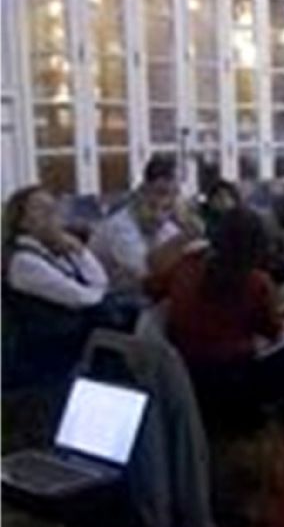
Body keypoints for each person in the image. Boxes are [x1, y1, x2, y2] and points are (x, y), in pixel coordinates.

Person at [149, 208, 284, 433]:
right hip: (238, 380)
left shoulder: (187, 265)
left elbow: (151, 287)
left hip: (189, 378)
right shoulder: (255, 282)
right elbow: (273, 331)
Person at [2, 186, 118, 383]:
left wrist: (79, 251)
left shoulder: (55, 250)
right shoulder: (23, 261)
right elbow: (79, 298)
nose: (52, 215)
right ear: (22, 221)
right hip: (47, 352)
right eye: (41, 208)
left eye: (53, 208)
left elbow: (100, 280)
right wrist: (98, 292)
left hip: (75, 339)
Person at [89, 155, 202, 296]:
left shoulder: (164, 224)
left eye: (175, 194)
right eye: (161, 192)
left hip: (136, 297)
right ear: (143, 190)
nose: (166, 201)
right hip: (108, 299)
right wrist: (186, 235)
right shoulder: (120, 226)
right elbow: (147, 274)